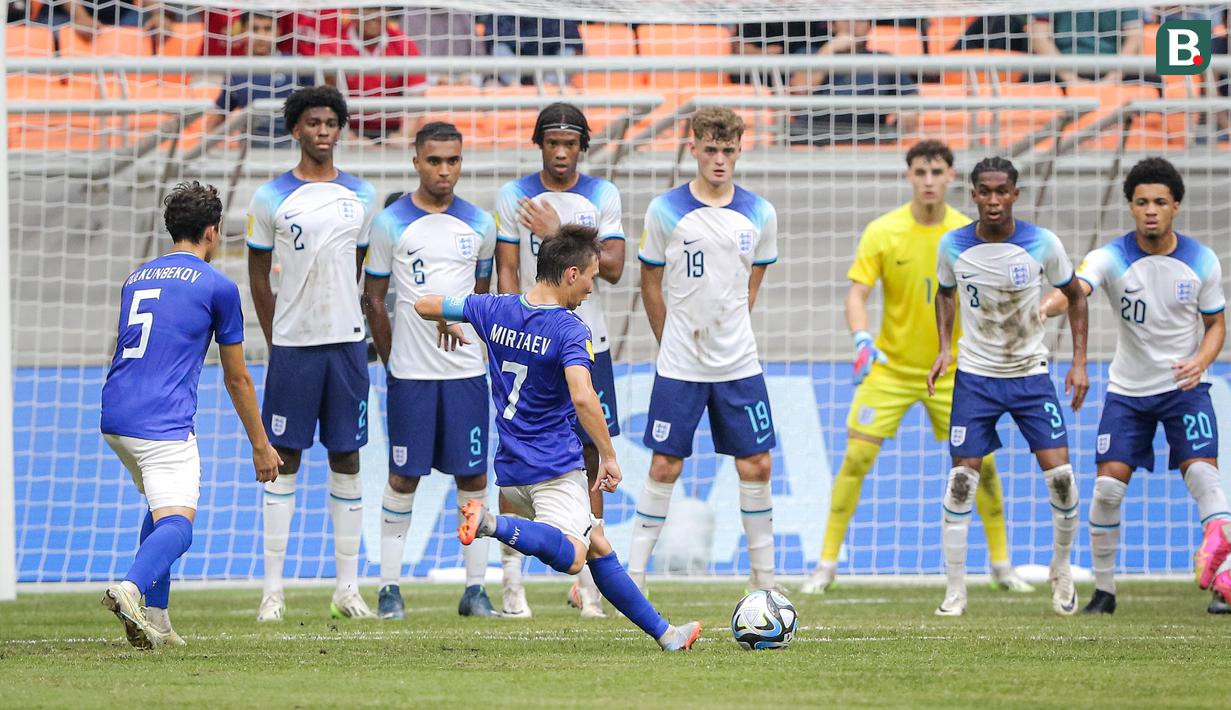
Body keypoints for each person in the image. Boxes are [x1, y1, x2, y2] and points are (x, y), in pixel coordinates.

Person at [417, 224, 702, 652]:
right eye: (589, 277)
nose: (591, 287)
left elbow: (424, 303)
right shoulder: (571, 330)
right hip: (553, 466)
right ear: (571, 273)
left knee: (598, 546)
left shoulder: (494, 307)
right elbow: (584, 396)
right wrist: (608, 454)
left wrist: (445, 319)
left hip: (511, 468)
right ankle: (492, 523)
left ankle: (666, 636)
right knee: (573, 555)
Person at [801, 141, 1032, 595]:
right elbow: (856, 294)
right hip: (890, 369)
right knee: (856, 459)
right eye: (921, 172)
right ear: (909, 176)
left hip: (954, 371)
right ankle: (825, 566)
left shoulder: (969, 234)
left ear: (951, 178)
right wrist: (861, 337)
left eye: (937, 172)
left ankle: (1002, 566)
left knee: (981, 466)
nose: (929, 180)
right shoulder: (883, 232)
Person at [1040, 157, 1231, 615]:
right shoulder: (1111, 256)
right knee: (1107, 490)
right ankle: (1104, 592)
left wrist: (1201, 361)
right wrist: (1040, 310)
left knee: (1204, 475)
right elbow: (1076, 289)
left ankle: (1224, 582)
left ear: (1176, 207)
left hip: (1185, 389)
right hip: (1127, 392)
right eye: (1142, 202)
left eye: (1160, 202)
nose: (1151, 210)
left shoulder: (1201, 261)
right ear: (1130, 207)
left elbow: (1216, 325)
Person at [99, 181, 281, 649]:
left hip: (115, 413)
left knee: (160, 507)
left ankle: (157, 620)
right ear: (212, 231)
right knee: (180, 525)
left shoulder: (137, 277)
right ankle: (132, 589)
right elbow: (237, 377)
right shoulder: (219, 286)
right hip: (163, 421)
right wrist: (261, 444)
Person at [927, 156, 1089, 617]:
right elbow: (944, 292)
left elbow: (1076, 294)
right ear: (974, 194)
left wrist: (1079, 361)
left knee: (1061, 479)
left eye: (1002, 191)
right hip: (976, 376)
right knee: (961, 481)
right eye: (985, 191)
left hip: (1030, 374)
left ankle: (1061, 570)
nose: (993, 200)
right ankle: (955, 591)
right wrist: (945, 348)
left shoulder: (1042, 243)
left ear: (1015, 194)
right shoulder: (953, 246)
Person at [628, 107, 778, 594]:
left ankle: (764, 582)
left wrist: (729, 328)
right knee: (664, 464)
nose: (719, 159)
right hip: (680, 363)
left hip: (738, 361)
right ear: (692, 148)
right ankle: (634, 576)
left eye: (728, 150)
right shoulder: (665, 209)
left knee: (756, 464)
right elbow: (650, 282)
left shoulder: (759, 213)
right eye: (710, 149)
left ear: (739, 150)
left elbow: (750, 285)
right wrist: (668, 338)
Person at [247, 86, 379, 622]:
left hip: (347, 345)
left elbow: (360, 269)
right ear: (295, 129)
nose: (323, 131)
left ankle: (348, 589)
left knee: (347, 458)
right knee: (284, 461)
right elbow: (257, 276)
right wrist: (276, 336)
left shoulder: (363, 195)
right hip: (293, 348)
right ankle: (272, 593)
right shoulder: (270, 197)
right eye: (313, 123)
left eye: (331, 123)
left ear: (340, 129)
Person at [362, 122, 500, 619]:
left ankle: (476, 589)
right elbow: (374, 300)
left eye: (454, 161)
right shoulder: (390, 223)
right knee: (403, 476)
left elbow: (482, 297)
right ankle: (389, 588)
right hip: (411, 377)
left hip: (465, 375)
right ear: (416, 162)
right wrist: (395, 355)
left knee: (473, 476)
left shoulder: (481, 225)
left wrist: (475, 343)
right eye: (435, 160)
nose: (445, 170)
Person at [493, 102, 624, 618]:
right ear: (540, 144)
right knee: (514, 463)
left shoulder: (601, 195)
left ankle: (586, 587)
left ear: (582, 146)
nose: (562, 152)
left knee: (591, 458)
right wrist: (507, 334)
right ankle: (511, 584)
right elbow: (507, 271)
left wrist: (559, 229)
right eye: (553, 142)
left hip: (589, 344)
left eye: (571, 143)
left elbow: (611, 267)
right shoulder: (514, 195)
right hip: (529, 347)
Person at [788, 19, 919, 146]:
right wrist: (828, 51)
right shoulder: (810, 54)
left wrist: (908, 111)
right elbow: (799, 92)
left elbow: (911, 96)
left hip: (869, 137)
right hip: (812, 136)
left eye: (860, 20)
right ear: (832, 25)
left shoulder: (883, 59)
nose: (853, 24)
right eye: (846, 20)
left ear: (869, 26)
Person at [317, 7, 427, 143]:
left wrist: (402, 137)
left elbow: (416, 101)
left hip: (394, 132)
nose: (374, 15)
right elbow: (328, 106)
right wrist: (349, 137)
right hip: (348, 133)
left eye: (379, 9)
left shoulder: (405, 44)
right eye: (368, 9)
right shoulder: (332, 46)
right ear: (353, 12)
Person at [203, 11, 305, 147]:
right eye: (255, 29)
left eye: (268, 29)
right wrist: (204, 146)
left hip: (293, 147)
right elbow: (220, 113)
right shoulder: (236, 72)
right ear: (243, 32)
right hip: (251, 150)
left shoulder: (297, 65)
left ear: (278, 32)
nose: (261, 36)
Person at [1025, 10, 1145, 84]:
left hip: (1112, 65)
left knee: (1153, 81)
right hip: (1061, 66)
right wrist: (1070, 78)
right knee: (1029, 81)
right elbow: (1038, 38)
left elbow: (1134, 39)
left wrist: (1113, 78)